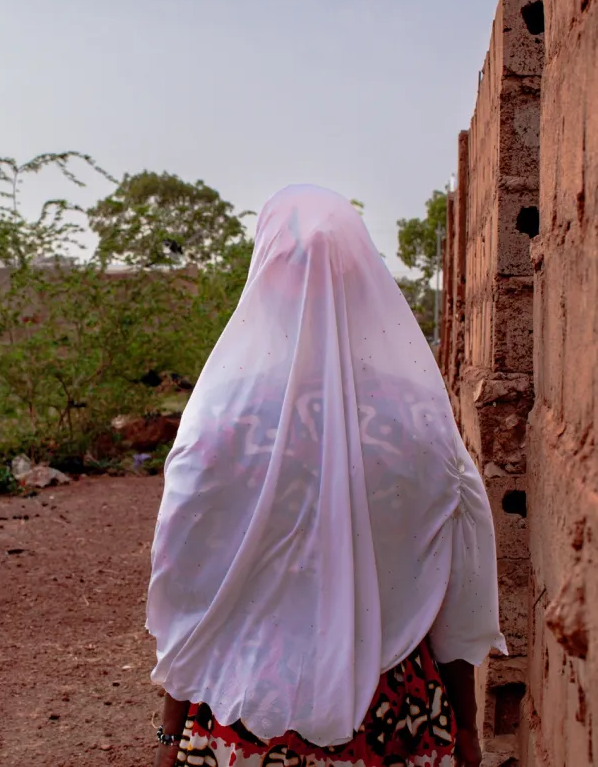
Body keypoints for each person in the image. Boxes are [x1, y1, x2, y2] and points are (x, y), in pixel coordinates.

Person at [146, 186, 504, 767]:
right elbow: (460, 586)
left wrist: (171, 733)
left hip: (245, 716)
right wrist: (466, 726)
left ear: (265, 281)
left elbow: (188, 583)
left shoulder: (221, 420)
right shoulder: (418, 418)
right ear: (363, 278)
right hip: (396, 719)